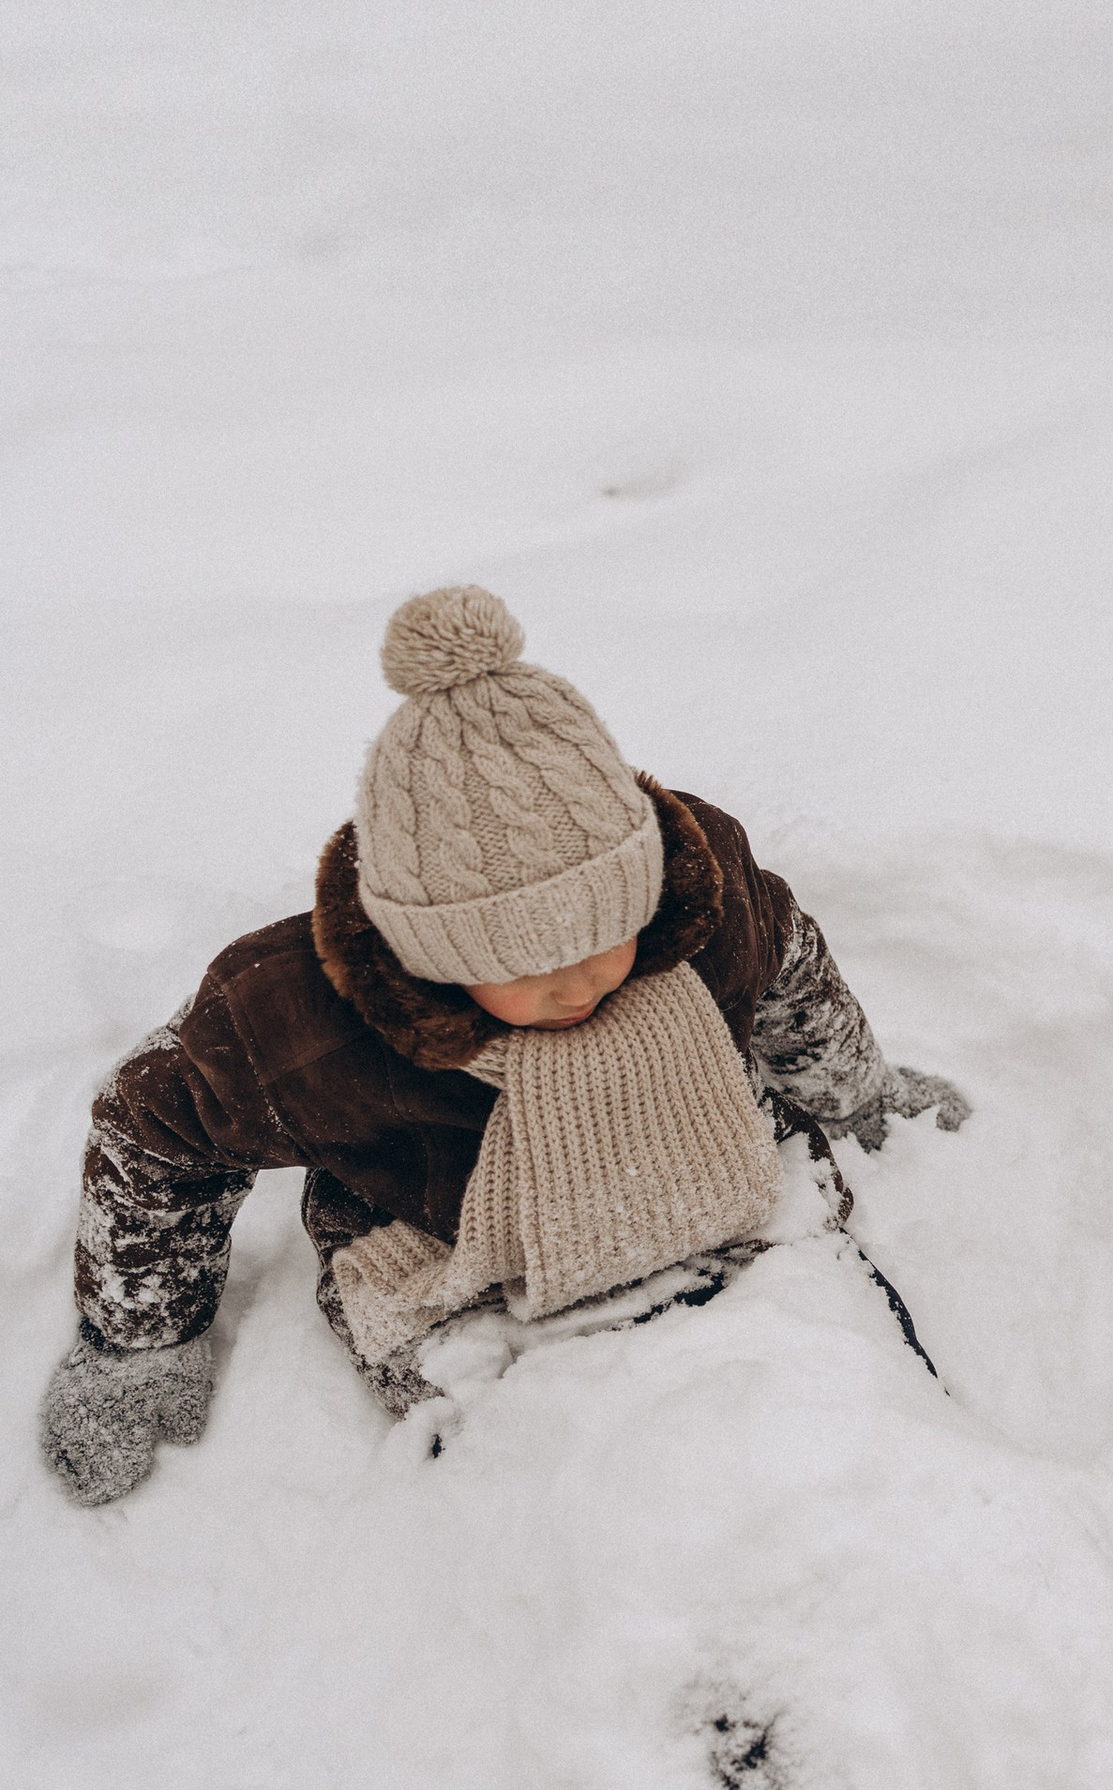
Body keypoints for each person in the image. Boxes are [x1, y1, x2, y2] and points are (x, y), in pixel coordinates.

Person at [42, 583, 965, 1499]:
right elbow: (153, 1129)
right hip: (456, 1258)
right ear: (430, 955)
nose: (579, 985)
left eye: (608, 937)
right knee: (575, 1489)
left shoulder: (705, 904)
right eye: (521, 964)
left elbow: (793, 971)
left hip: (723, 1175)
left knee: (838, 1430)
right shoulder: (307, 1025)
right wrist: (140, 1340)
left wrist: (860, 1096)